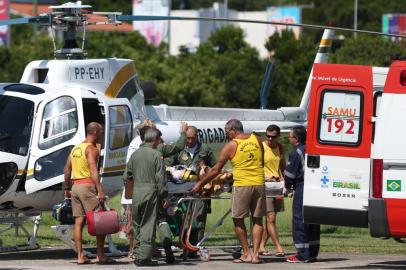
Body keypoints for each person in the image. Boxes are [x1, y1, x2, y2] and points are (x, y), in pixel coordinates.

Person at [192, 119, 265, 264]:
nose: (227, 135)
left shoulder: (231, 145)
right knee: (257, 219)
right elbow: (261, 160)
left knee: (238, 219)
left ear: (233, 130)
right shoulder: (256, 139)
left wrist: (200, 184)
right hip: (259, 183)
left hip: (242, 185)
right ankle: (256, 255)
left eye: (227, 132)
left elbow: (215, 170)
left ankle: (246, 254)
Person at [64, 122, 115, 265]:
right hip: (87, 187)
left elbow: (67, 170)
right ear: (95, 133)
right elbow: (93, 170)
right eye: (101, 132)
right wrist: (100, 189)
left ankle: (80, 256)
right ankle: (100, 256)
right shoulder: (91, 149)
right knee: (99, 220)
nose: (102, 135)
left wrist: (67, 188)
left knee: (78, 222)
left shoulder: (75, 148)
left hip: (75, 187)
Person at [165, 126, 216, 258]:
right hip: (181, 192)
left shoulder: (205, 149)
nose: (190, 140)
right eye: (187, 138)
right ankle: (184, 247)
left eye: (193, 138)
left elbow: (216, 167)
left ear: (197, 136)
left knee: (198, 220)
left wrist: (205, 169)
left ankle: (195, 248)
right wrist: (175, 171)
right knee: (183, 219)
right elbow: (168, 164)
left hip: (199, 191)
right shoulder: (179, 148)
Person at [284, 125, 320, 263]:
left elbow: (289, 175)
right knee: (313, 219)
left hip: (302, 187)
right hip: (314, 187)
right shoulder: (311, 148)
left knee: (300, 220)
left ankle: (302, 254)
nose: (289, 139)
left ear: (296, 139)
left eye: (290, 137)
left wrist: (287, 188)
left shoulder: (295, 152)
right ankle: (312, 252)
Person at [259, 124, 286, 257]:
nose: (270, 139)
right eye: (268, 136)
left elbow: (282, 166)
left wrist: (286, 183)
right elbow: (257, 166)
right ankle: (278, 247)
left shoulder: (280, 148)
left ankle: (261, 246)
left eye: (273, 137)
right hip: (265, 187)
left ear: (278, 136)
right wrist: (266, 178)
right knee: (271, 218)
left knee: (270, 220)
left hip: (278, 187)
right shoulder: (261, 147)